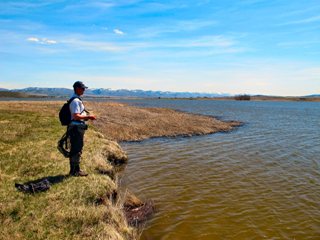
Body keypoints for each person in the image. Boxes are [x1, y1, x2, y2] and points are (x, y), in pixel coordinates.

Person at [68, 81, 96, 176]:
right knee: (76, 148)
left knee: (76, 148)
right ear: (77, 88)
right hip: (76, 128)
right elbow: (76, 116)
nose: (84, 90)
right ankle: (75, 171)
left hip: (76, 127)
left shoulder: (75, 99)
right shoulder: (75, 101)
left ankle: (75, 170)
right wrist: (89, 117)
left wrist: (86, 116)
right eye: (83, 88)